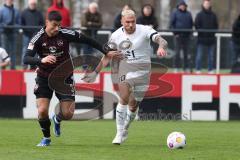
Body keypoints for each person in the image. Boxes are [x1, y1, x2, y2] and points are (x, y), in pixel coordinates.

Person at [23, 11, 119, 147]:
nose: (57, 28)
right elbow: (26, 58)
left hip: (65, 76)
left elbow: (87, 40)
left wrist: (105, 51)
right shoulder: (37, 38)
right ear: (47, 23)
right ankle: (46, 138)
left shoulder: (65, 33)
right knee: (42, 110)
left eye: (59, 25)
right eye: (54, 25)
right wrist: (41, 60)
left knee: (68, 114)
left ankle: (57, 119)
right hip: (44, 77)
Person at [82, 9, 167, 145]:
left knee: (133, 106)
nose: (130, 24)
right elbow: (106, 57)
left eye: (133, 21)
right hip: (125, 69)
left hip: (144, 70)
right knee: (124, 97)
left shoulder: (145, 30)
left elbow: (162, 40)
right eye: (127, 22)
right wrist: (95, 73)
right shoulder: (115, 36)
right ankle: (119, 133)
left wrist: (161, 47)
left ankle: (126, 127)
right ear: (122, 21)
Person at [195, 0, 218, 74]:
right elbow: (196, 25)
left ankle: (210, 70)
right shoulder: (199, 15)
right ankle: (198, 69)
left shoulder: (214, 15)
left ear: (210, 4)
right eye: (206, 3)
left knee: (211, 57)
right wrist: (201, 33)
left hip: (211, 40)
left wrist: (212, 33)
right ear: (203, 4)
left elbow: (216, 26)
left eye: (208, 3)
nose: (207, 5)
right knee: (199, 56)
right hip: (201, 39)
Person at [170, 0, 193, 73]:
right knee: (177, 53)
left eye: (184, 5)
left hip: (187, 37)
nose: (182, 6)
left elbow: (191, 24)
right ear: (179, 6)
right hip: (178, 36)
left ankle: (186, 68)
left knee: (186, 53)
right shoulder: (175, 13)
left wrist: (190, 34)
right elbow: (171, 24)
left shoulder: (189, 14)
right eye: (181, 5)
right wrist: (175, 33)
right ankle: (176, 68)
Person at [21, 0, 44, 69]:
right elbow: (22, 23)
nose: (33, 5)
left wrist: (38, 33)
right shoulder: (24, 12)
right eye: (31, 4)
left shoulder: (39, 13)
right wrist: (25, 31)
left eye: (34, 4)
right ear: (29, 4)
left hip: (36, 36)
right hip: (26, 35)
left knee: (36, 50)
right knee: (25, 49)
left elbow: (41, 24)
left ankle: (34, 66)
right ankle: (24, 66)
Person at [0, 0, 21, 69]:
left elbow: (19, 24)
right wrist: (4, 26)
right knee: (4, 52)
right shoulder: (1, 10)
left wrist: (14, 27)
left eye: (11, 0)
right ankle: (4, 69)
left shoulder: (16, 11)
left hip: (13, 34)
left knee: (13, 52)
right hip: (4, 34)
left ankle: (13, 68)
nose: (10, 1)